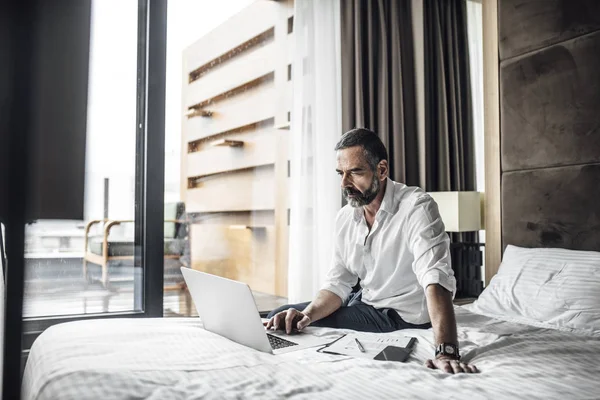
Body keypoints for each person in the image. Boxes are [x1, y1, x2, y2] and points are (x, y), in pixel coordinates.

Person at [266, 128, 478, 374]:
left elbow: (435, 278)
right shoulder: (346, 217)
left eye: (355, 172)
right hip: (365, 301)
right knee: (281, 316)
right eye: (341, 173)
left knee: (284, 318)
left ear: (382, 170)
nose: (345, 183)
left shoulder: (416, 207)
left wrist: (446, 350)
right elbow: (338, 283)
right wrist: (307, 315)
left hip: (399, 313)